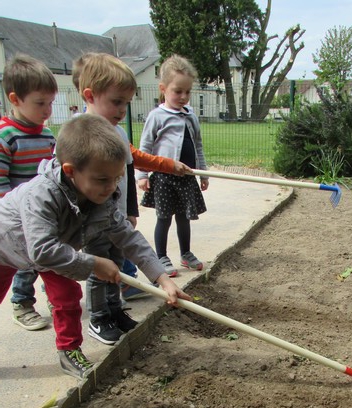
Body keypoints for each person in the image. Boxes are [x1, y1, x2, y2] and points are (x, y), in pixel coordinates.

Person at [0, 114, 191, 379]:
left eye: (117, 178)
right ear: (70, 171)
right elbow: (42, 248)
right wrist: (93, 263)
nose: (111, 187)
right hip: (6, 247)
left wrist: (163, 279)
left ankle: (69, 352)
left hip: (53, 253)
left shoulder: (100, 196)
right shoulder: (41, 194)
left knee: (67, 299)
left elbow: (127, 236)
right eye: (103, 179)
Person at [73, 52, 192, 345]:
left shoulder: (114, 131)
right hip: (91, 218)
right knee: (99, 268)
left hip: (115, 217)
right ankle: (99, 318)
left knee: (116, 262)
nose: (123, 110)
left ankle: (115, 310)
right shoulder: (80, 135)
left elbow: (132, 162)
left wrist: (130, 208)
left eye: (126, 103)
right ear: (90, 95)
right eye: (116, 102)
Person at [136, 54, 209, 278]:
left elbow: (198, 145)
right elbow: (145, 146)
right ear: (163, 88)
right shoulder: (157, 116)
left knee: (184, 217)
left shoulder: (191, 117)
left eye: (187, 92)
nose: (183, 96)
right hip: (164, 177)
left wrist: (203, 173)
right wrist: (142, 174)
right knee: (164, 217)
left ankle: (185, 253)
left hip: (187, 176)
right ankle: (161, 256)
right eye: (178, 91)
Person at [0, 53, 57, 331]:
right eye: (40, 103)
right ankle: (22, 302)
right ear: (15, 99)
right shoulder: (6, 136)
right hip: (17, 216)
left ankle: (51, 296)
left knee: (46, 257)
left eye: (50, 103)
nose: (47, 110)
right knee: (25, 261)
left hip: (44, 210)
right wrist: (17, 214)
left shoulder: (47, 135)